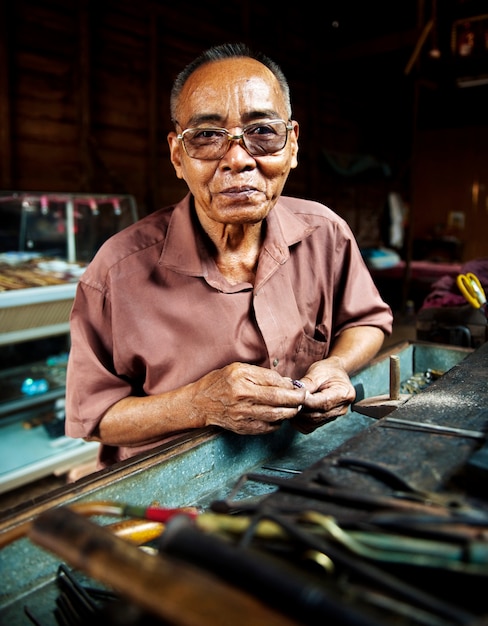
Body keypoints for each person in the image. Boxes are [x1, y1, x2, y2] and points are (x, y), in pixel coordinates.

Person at [65, 42, 393, 468]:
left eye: (262, 132)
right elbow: (94, 416)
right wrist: (199, 404)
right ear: (177, 155)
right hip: (172, 493)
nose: (238, 159)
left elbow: (367, 321)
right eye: (206, 136)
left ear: (292, 144)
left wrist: (336, 365)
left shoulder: (324, 233)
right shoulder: (116, 272)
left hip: (303, 462)